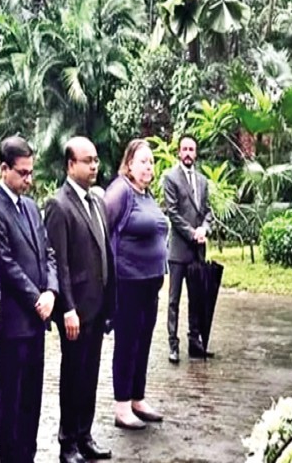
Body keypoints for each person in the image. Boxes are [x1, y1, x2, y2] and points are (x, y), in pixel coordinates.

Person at [0, 136, 59, 463]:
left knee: (32, 397)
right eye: (22, 173)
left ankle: (27, 455)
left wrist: (51, 291)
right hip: (14, 321)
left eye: (31, 172)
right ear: (4, 169)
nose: (29, 179)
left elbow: (48, 252)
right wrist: (35, 297)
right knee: (12, 399)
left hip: (37, 319)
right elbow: (5, 262)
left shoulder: (30, 206)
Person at [45, 137, 115, 462]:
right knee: (73, 375)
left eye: (96, 160)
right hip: (75, 309)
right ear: (71, 165)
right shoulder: (59, 205)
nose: (94, 166)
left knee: (90, 375)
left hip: (97, 305)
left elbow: (104, 252)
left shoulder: (97, 201)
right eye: (88, 161)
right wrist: (67, 308)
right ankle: (68, 442)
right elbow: (58, 262)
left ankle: (85, 435)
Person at [104, 138, 168, 430]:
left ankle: (137, 398)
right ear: (129, 164)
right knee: (127, 343)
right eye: (143, 161)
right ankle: (121, 406)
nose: (148, 167)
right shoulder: (121, 191)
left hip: (150, 285)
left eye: (151, 162)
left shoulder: (146, 194)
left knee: (143, 342)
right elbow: (103, 230)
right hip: (128, 283)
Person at [163, 135, 214, 363]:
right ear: (178, 151)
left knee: (197, 299)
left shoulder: (202, 181)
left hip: (197, 251)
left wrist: (204, 228)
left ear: (196, 152)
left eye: (191, 149)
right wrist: (192, 232)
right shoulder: (170, 178)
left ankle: (195, 342)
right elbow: (173, 213)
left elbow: (208, 211)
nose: (187, 153)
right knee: (174, 300)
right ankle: (173, 345)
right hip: (178, 250)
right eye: (184, 149)